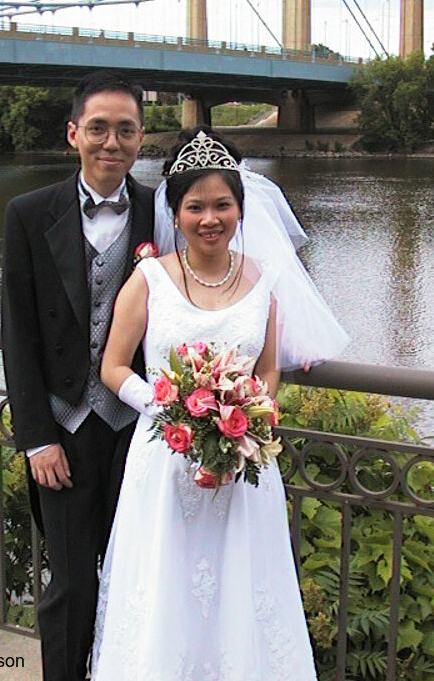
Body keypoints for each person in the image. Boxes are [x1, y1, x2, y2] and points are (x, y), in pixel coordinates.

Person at [91, 127, 349, 680]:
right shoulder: (149, 279)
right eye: (196, 207)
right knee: (166, 587)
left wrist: (247, 425)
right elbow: (113, 366)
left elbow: (268, 368)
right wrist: (166, 408)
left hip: (243, 470)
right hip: (164, 464)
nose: (210, 218)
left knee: (242, 585)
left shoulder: (265, 279)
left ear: (240, 208)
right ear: (176, 213)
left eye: (223, 205)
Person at [0, 70, 154, 681]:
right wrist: (36, 437)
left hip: (138, 429)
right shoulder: (28, 214)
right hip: (63, 431)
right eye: (98, 129)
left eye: (126, 130)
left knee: (136, 575)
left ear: (142, 140)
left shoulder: (163, 211)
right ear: (73, 134)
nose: (111, 142)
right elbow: (18, 333)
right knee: (69, 584)